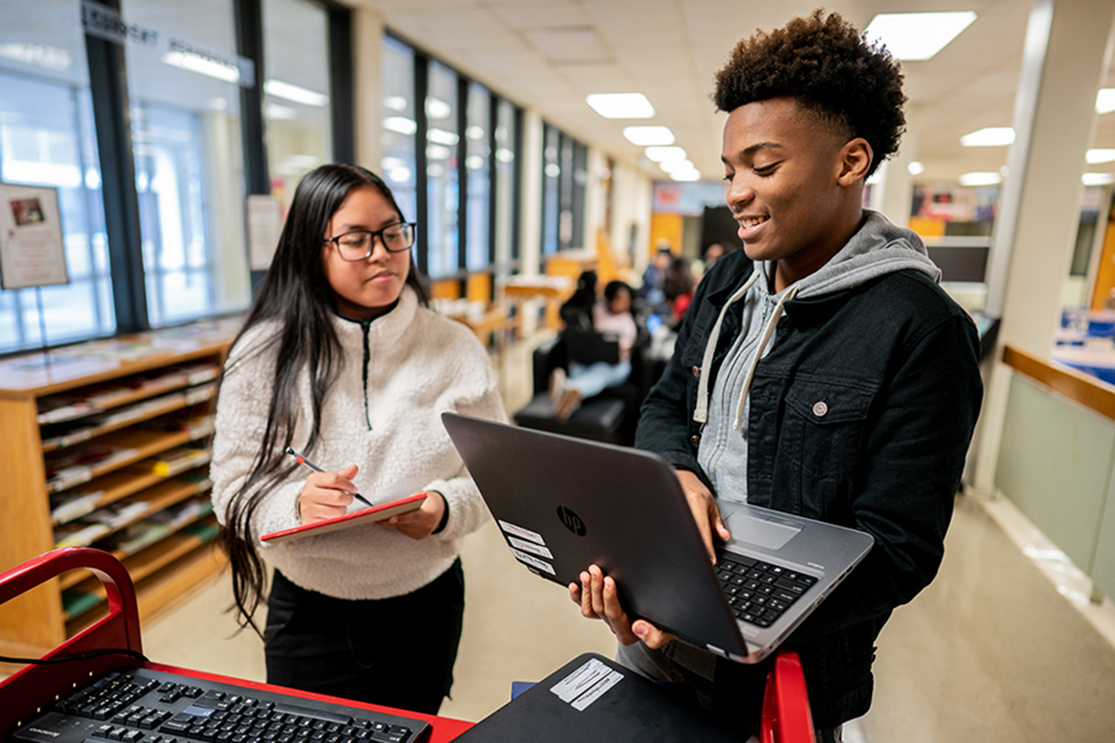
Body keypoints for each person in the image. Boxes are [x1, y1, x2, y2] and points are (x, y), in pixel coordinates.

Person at [569, 10, 983, 739]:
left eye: (763, 166)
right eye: (730, 170)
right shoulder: (728, 278)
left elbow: (900, 547)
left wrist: (718, 605)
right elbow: (666, 400)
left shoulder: (920, 329)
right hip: (654, 640)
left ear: (849, 162)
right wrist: (676, 477)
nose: (734, 192)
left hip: (785, 676)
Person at [210, 163, 505, 714]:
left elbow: (497, 475)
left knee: (414, 728)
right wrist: (293, 502)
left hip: (427, 603)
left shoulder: (456, 347)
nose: (382, 252)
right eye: (355, 239)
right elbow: (230, 489)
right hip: (310, 611)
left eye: (394, 232)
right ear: (310, 248)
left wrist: (445, 508)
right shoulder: (263, 354)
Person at [550, 280, 639, 420]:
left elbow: (629, 349)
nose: (623, 303)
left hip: (616, 365)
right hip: (592, 359)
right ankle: (569, 402)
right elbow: (569, 310)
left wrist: (620, 350)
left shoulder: (628, 321)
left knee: (601, 371)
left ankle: (568, 387)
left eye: (626, 300)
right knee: (577, 364)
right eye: (618, 299)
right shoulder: (597, 310)